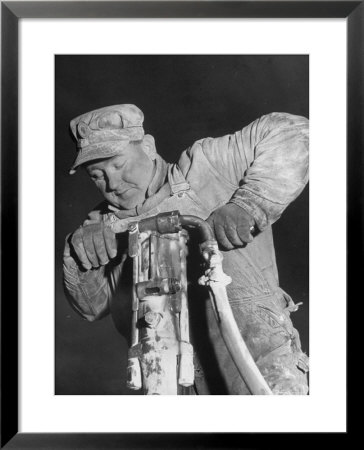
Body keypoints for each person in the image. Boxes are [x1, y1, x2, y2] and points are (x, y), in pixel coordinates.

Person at [63, 104, 309, 395]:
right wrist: (78, 257)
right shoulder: (102, 226)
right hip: (174, 383)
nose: (113, 183)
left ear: (148, 146)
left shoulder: (208, 168)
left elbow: (296, 132)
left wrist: (248, 204)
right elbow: (92, 308)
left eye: (118, 165)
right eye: (97, 175)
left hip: (261, 364)